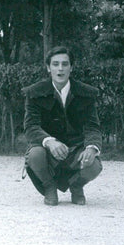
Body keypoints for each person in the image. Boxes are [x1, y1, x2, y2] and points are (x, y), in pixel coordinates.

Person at [22, 46, 103, 206]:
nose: (60, 69)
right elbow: (31, 127)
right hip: (47, 150)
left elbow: (92, 126)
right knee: (35, 155)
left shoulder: (86, 93)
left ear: (71, 67)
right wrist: (49, 141)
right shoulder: (35, 93)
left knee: (94, 166)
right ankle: (49, 186)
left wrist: (91, 148)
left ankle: (76, 186)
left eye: (65, 64)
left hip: (76, 149)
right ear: (48, 68)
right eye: (55, 64)